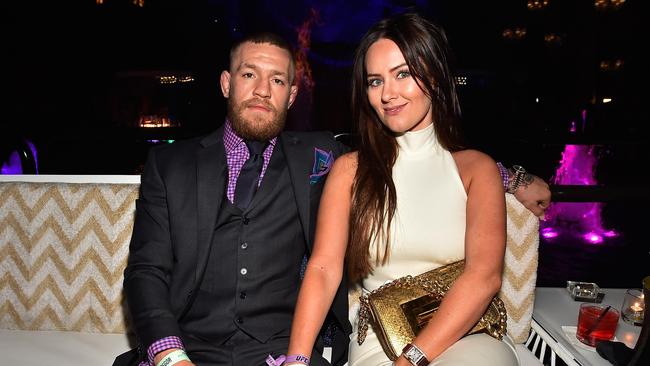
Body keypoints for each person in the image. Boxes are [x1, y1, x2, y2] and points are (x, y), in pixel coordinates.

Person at [116, 30, 549, 366]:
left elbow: (429, 169)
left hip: (275, 349)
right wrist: (170, 354)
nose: (263, 90)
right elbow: (146, 272)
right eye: (250, 74)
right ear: (227, 83)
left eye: (278, 79)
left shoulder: (320, 156)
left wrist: (512, 176)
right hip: (188, 346)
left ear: (293, 93)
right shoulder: (170, 165)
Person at [287, 13, 521, 366]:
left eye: (403, 74)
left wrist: (411, 359)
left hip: (464, 337)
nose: (388, 94)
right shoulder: (350, 171)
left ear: (435, 77)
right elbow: (322, 269)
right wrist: (297, 359)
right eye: (375, 81)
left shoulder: (477, 169)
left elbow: (484, 276)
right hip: (379, 343)